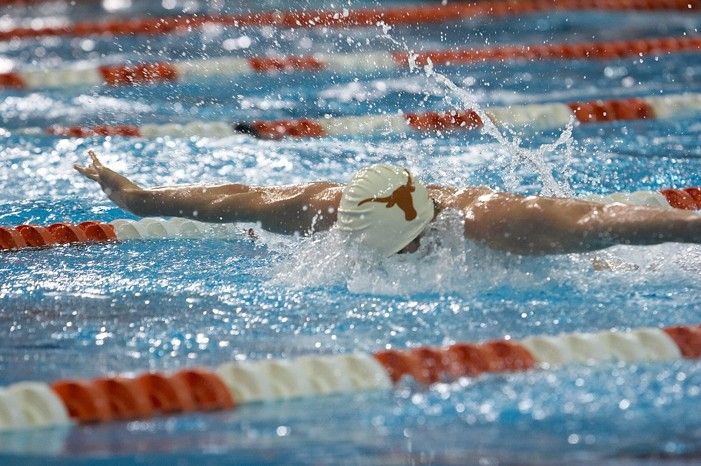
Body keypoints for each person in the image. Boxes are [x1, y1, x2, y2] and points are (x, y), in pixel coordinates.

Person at [75, 151, 701, 256]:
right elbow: (236, 199)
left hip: (529, 236)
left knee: (593, 248)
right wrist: (138, 196)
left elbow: (608, 220)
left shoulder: (496, 223)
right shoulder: (323, 209)